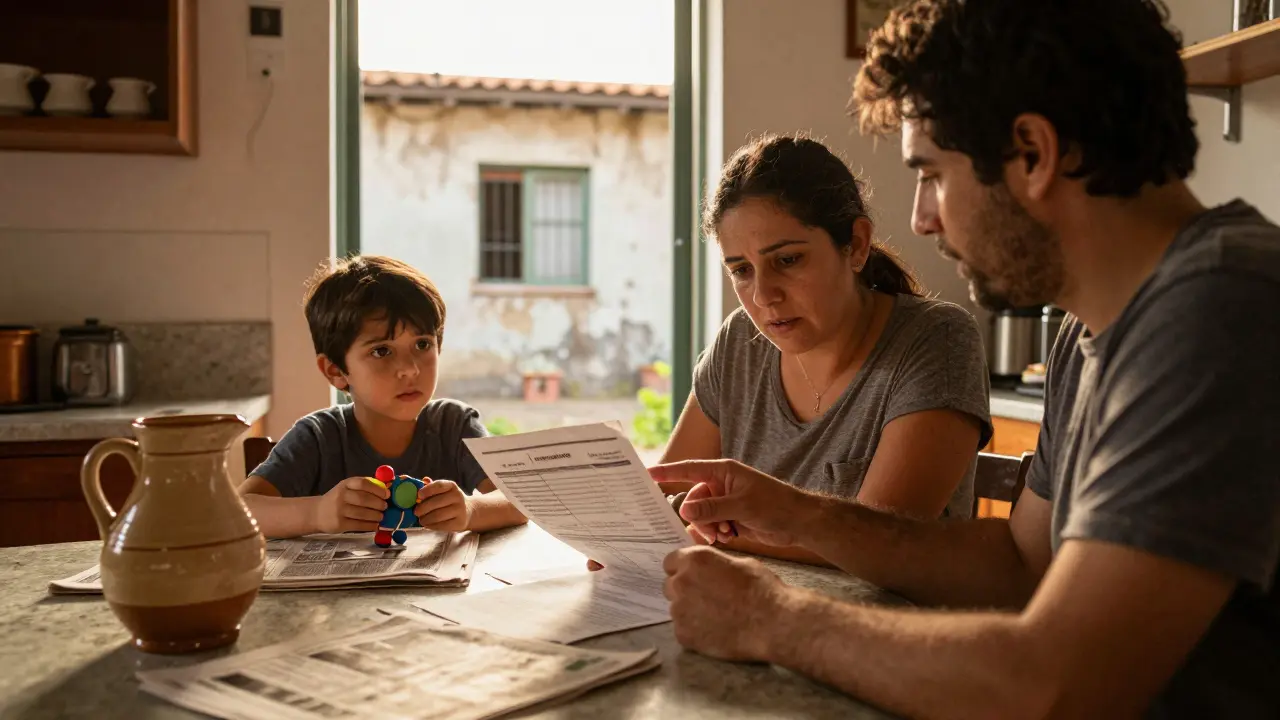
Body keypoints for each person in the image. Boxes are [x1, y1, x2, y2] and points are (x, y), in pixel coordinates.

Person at [657, 1, 1280, 718]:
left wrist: (771, 619)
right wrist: (797, 514)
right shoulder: (1090, 333)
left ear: (1033, 152)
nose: (921, 218)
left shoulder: (1222, 308)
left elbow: (1059, 683)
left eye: (931, 174)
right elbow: (1017, 568)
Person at [616, 135, 992, 569]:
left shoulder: (936, 339)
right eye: (740, 270)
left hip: (887, 628)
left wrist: (706, 535)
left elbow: (880, 544)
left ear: (856, 245)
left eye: (788, 260)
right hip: (744, 614)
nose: (763, 295)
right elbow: (663, 493)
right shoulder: (740, 341)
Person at [240, 255, 527, 539]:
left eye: (422, 344)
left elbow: (524, 499)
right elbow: (239, 512)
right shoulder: (318, 437)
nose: (410, 369)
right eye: (382, 351)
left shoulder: (455, 425)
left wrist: (471, 509)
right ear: (336, 370)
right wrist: (316, 513)